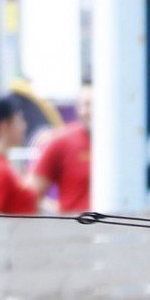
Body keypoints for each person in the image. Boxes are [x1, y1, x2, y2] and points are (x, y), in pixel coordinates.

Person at [33, 84, 92, 214]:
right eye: (83, 105)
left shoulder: (128, 144)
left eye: (91, 105)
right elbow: (31, 195)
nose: (86, 111)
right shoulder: (62, 140)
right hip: (75, 230)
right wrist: (63, 212)